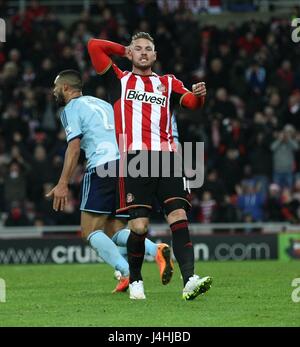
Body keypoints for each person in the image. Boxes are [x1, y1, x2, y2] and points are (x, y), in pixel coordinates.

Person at [88, 32, 212, 300]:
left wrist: (199, 96)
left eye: (148, 49)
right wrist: (125, 49)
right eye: (138, 49)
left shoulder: (168, 83)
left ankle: (189, 279)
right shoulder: (119, 80)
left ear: (155, 56)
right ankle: (136, 280)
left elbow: (191, 103)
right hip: (136, 159)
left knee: (178, 216)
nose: (143, 52)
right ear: (131, 54)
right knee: (140, 227)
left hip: (167, 157)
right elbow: (94, 46)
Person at [46, 69, 174, 293]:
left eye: (56, 88)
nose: (53, 92)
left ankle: (126, 272)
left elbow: (74, 147)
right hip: (127, 165)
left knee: (90, 231)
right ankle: (157, 250)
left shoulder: (71, 109)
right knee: (115, 230)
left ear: (66, 88)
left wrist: (63, 182)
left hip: (102, 166)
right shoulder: (103, 104)